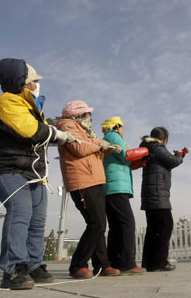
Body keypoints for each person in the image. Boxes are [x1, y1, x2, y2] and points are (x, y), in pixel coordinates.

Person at [0, 58, 77, 290]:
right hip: (9, 170)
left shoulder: (32, 108)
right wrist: (58, 133)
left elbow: (43, 132)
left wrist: (65, 134)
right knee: (20, 213)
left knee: (37, 222)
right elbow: (31, 131)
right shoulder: (6, 102)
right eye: (34, 80)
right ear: (23, 83)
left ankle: (34, 266)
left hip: (35, 174)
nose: (38, 84)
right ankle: (14, 268)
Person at [56, 100, 121, 279]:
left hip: (93, 179)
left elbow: (91, 143)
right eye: (88, 114)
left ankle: (102, 265)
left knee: (98, 224)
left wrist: (107, 148)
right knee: (97, 223)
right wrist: (100, 145)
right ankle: (78, 264)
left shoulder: (83, 130)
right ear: (78, 115)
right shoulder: (68, 126)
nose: (90, 118)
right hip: (82, 181)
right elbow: (78, 147)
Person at [101, 117, 146, 275]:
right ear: (117, 126)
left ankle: (115, 261)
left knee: (116, 226)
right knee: (127, 223)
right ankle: (127, 263)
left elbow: (124, 161)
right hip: (117, 185)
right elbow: (125, 155)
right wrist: (146, 151)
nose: (123, 130)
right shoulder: (113, 135)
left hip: (111, 186)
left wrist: (141, 161)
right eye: (122, 127)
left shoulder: (108, 138)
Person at [139, 127, 187, 271]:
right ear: (164, 139)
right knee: (166, 225)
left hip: (151, 194)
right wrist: (180, 156)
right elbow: (172, 161)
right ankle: (160, 262)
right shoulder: (157, 147)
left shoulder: (149, 147)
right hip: (157, 194)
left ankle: (149, 263)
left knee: (153, 229)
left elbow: (167, 161)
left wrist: (177, 156)